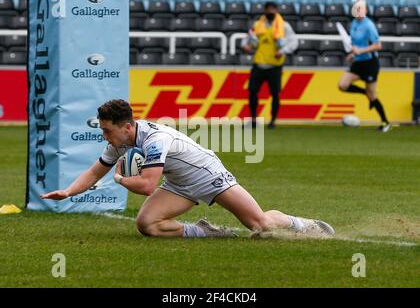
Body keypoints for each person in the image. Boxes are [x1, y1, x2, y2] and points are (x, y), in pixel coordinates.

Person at [41, 99, 335, 238]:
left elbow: (145, 186)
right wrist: (68, 192)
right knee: (147, 226)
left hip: (207, 174)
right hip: (179, 182)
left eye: (107, 130)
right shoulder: (121, 142)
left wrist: (119, 178)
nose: (104, 136)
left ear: (127, 127)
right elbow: (95, 171)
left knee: (260, 226)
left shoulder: (154, 140)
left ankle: (304, 224)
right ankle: (208, 232)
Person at [338, 0, 391, 132]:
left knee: (373, 95)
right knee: (342, 85)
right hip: (358, 62)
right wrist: (353, 54)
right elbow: (356, 44)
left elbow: (378, 45)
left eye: (361, 9)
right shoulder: (354, 23)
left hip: (370, 63)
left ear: (366, 11)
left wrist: (361, 51)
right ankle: (364, 93)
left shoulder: (369, 25)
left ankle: (385, 122)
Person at [242, 1, 286, 129]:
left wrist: (283, 51)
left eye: (273, 9)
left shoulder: (284, 26)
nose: (271, 12)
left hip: (275, 65)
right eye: (269, 9)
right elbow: (247, 39)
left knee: (275, 94)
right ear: (265, 10)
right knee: (252, 92)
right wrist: (245, 46)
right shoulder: (257, 25)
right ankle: (254, 119)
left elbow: (293, 42)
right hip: (259, 63)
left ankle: (273, 121)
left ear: (276, 10)